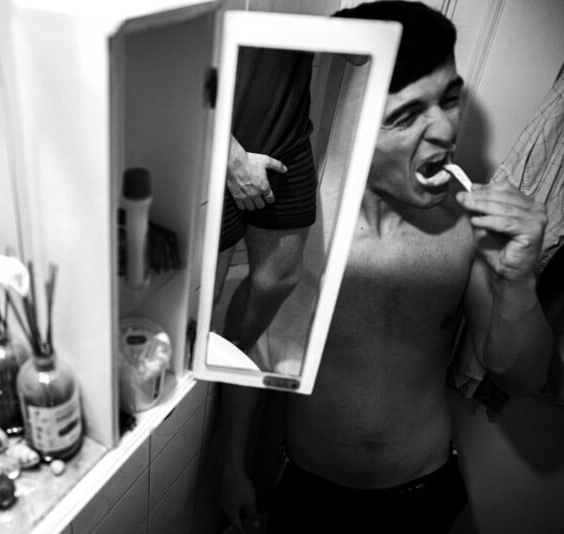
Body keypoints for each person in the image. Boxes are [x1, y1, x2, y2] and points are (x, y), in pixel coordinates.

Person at [220, 3, 552, 533]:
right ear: (357, 122)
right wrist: (232, 466)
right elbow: (244, 351)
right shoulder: (302, 228)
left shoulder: (470, 226)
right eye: (405, 115)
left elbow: (523, 377)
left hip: (424, 494)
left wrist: (519, 282)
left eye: (449, 99)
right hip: (307, 490)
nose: (444, 129)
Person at [214, 46, 318, 370]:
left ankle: (227, 363)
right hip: (210, 135)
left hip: (287, 130)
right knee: (201, 296)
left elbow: (357, 53)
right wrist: (227, 151)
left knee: (279, 278)